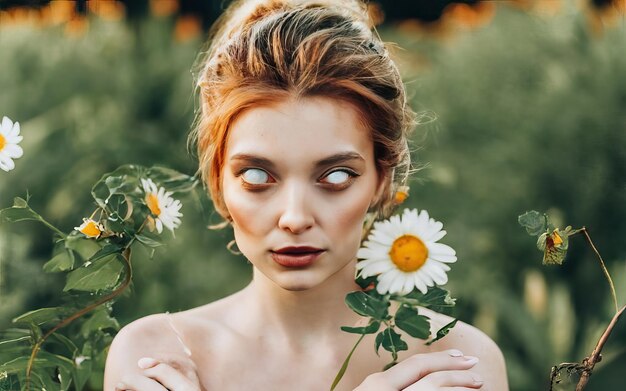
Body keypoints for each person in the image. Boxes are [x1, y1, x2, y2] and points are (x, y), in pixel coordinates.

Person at [103, 0, 509, 389]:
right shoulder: (156, 355)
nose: (294, 218)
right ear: (217, 182)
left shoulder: (458, 361)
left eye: (335, 177)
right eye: (257, 175)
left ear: (382, 180)